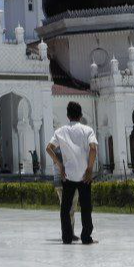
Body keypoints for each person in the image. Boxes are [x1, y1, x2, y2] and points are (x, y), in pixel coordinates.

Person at [46, 101, 98, 245]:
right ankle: (86, 237)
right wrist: (89, 168)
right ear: (81, 115)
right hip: (84, 176)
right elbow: (93, 148)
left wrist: (60, 165)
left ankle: (67, 237)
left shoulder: (60, 131)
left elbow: (49, 148)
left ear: (68, 115)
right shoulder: (87, 130)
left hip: (68, 175)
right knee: (86, 207)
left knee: (65, 208)